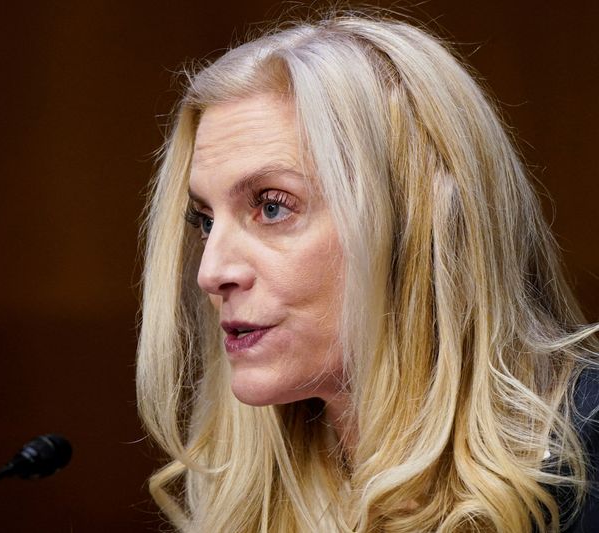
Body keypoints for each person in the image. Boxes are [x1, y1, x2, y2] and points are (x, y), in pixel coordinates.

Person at [136, 12, 599, 532]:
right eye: (204, 220)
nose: (211, 271)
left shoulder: (586, 460)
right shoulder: (257, 498)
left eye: (271, 207)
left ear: (414, 222)